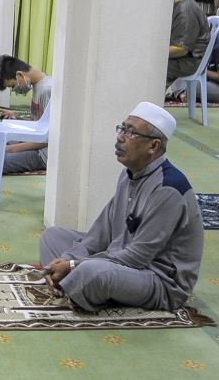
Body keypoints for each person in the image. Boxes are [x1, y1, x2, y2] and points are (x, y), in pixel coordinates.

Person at [39, 102, 204, 312]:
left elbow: (138, 257)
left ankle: (76, 283)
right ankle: (74, 284)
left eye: (131, 132)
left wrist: (74, 265)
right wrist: (68, 259)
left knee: (92, 272)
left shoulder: (168, 189)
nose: (120, 137)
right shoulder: (129, 175)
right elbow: (100, 234)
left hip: (158, 279)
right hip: (121, 261)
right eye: (122, 128)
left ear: (153, 146)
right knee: (52, 237)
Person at [0, 55, 52, 174]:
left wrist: (9, 149)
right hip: (30, 140)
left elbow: (49, 138)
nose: (15, 90)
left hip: (40, 153)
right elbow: (39, 124)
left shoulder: (47, 91)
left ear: (19, 75)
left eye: (12, 86)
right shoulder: (38, 85)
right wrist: (16, 117)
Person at [168, 36, 219, 104]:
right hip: (208, 82)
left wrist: (201, 70)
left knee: (192, 85)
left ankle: (182, 93)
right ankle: (182, 94)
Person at [168, 0, 210, 81]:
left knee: (154, 66)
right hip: (187, 56)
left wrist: (156, 54)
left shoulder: (184, 12)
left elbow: (181, 49)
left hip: (190, 61)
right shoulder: (179, 2)